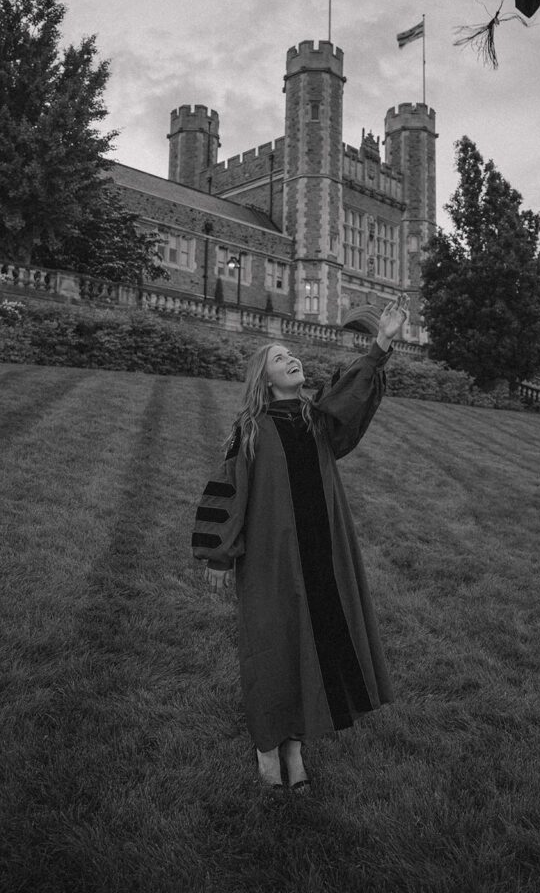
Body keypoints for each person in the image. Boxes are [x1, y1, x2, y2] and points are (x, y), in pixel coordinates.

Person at [191, 296, 407, 793]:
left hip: (321, 556)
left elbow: (351, 394)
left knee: (312, 644)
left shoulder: (317, 422)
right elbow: (229, 491)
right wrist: (220, 555)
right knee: (272, 648)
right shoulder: (251, 431)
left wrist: (382, 342)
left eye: (293, 355)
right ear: (265, 379)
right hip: (271, 559)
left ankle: (296, 747)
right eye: (279, 357)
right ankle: (269, 749)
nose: (292, 359)